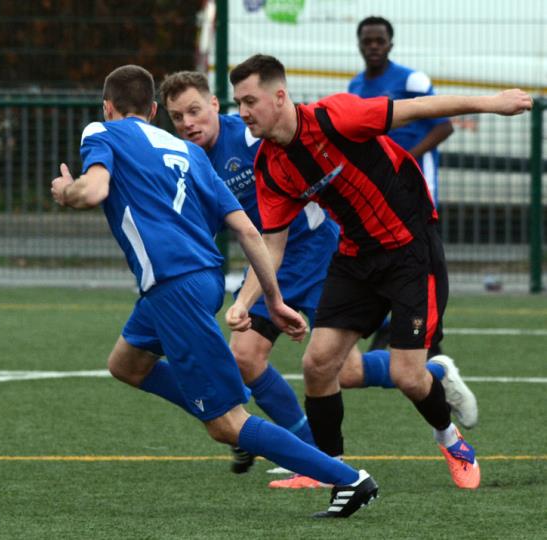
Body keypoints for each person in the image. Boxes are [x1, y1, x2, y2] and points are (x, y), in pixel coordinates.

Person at [51, 64, 378, 517]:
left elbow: (93, 191)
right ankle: (224, 397)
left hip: (175, 287)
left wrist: (67, 190)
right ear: (153, 110)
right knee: (126, 364)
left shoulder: (101, 132)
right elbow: (248, 230)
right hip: (199, 281)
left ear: (108, 107)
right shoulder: (189, 152)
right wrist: (273, 299)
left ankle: (347, 479)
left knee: (226, 425)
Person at [227, 54, 533, 491]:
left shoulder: (336, 116)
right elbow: (271, 245)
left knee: (408, 375)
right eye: (238, 103)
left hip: (411, 249)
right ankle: (328, 469)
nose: (243, 112)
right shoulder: (271, 166)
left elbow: (418, 108)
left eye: (250, 101)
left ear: (279, 97)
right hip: (355, 256)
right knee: (318, 364)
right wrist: (244, 302)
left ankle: (451, 440)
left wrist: (491, 102)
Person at [158, 70, 477, 489]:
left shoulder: (253, 137)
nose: (188, 123)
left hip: (316, 254)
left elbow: (306, 149)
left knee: (334, 368)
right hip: (273, 260)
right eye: (177, 117)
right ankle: (316, 454)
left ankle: (421, 382)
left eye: (195, 111)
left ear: (216, 105)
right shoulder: (188, 161)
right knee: (274, 360)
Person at [348, 15, 454, 355]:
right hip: (377, 188)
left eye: (379, 41)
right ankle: (394, 328)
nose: (373, 46)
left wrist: (405, 157)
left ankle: (424, 332)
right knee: (384, 252)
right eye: (367, 41)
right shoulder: (355, 87)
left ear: (390, 44)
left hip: (415, 183)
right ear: (359, 44)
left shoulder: (413, 79)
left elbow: (444, 126)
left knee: (419, 254)